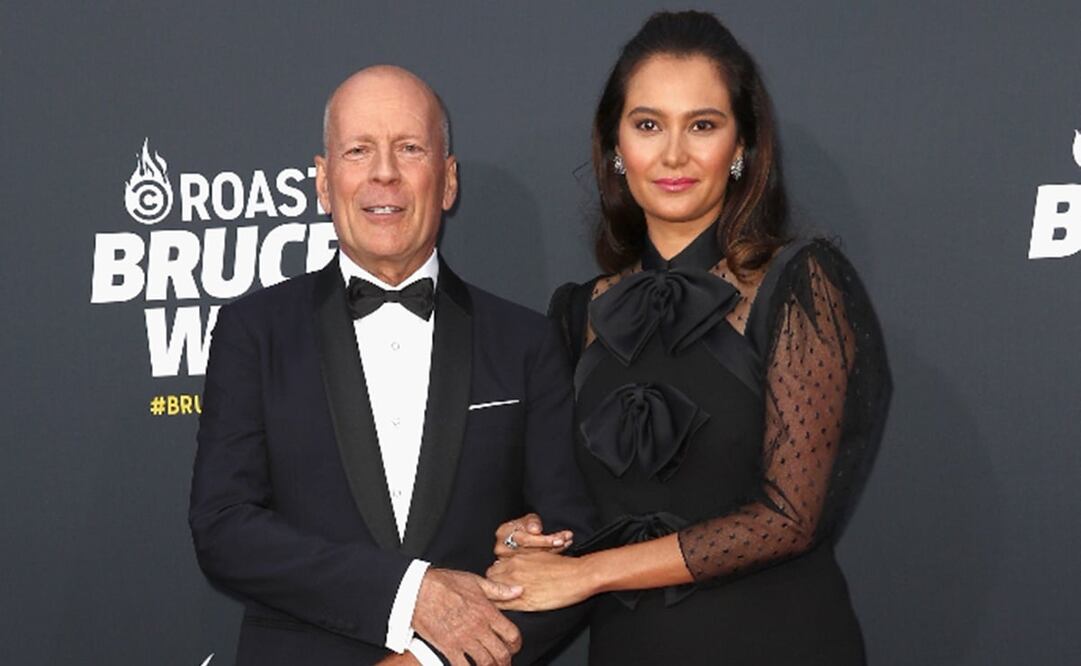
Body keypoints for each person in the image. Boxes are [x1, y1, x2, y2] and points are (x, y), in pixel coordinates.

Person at [486, 11, 892, 665]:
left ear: (741, 146)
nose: (673, 155)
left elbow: (789, 517)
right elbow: (564, 506)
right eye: (648, 125)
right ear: (615, 146)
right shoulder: (576, 313)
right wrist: (528, 536)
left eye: (702, 125)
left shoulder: (799, 283)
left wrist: (590, 573)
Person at [189, 65, 595, 666]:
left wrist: (431, 661)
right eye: (358, 151)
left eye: (409, 148)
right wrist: (411, 595)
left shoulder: (525, 342)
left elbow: (571, 548)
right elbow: (224, 528)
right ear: (323, 181)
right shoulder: (252, 332)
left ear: (448, 181)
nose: (384, 172)